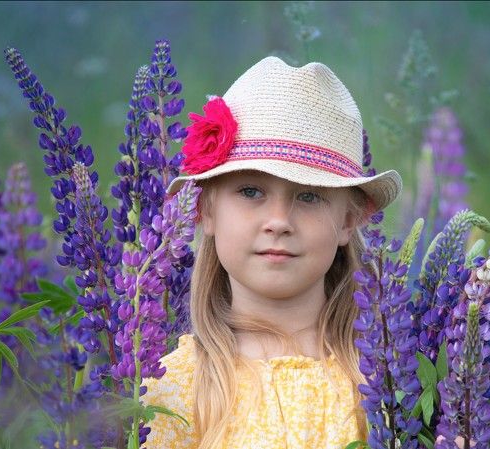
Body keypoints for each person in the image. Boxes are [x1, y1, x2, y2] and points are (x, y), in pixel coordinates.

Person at [141, 55, 402, 449]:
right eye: (250, 191)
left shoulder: (382, 375)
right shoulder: (176, 385)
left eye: (309, 196)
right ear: (205, 209)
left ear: (348, 221)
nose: (278, 220)